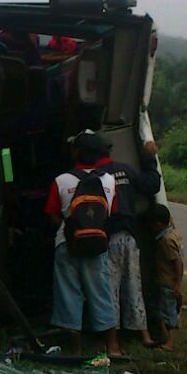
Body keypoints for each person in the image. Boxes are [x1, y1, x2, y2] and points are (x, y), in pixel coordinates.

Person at [44, 130, 119, 356]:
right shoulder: (109, 181)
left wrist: (71, 227)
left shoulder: (61, 180)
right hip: (97, 244)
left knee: (69, 293)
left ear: (76, 152)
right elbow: (110, 214)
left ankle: (75, 349)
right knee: (101, 291)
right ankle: (113, 347)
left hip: (67, 244)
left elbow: (52, 214)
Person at [101, 139, 161, 348]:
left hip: (106, 239)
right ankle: (145, 335)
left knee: (110, 290)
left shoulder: (93, 176)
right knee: (134, 285)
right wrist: (149, 157)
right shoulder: (125, 170)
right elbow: (152, 185)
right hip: (130, 236)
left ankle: (113, 343)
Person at [145, 204, 183, 351]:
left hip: (168, 283)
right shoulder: (174, 234)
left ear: (158, 225)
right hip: (165, 282)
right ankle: (164, 336)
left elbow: (177, 262)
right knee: (160, 309)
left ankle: (170, 342)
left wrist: (178, 284)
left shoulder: (165, 241)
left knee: (169, 314)